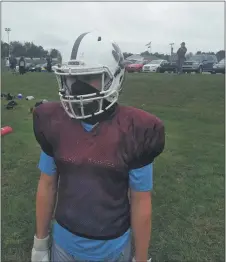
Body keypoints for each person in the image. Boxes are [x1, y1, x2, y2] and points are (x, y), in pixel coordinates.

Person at [31, 31, 165, 262]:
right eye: (71, 79)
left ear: (116, 77)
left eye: (89, 77)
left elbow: (141, 200)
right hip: (63, 244)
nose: (76, 88)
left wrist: (141, 259)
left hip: (113, 248)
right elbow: (47, 183)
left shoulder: (137, 130)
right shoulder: (52, 121)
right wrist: (40, 244)